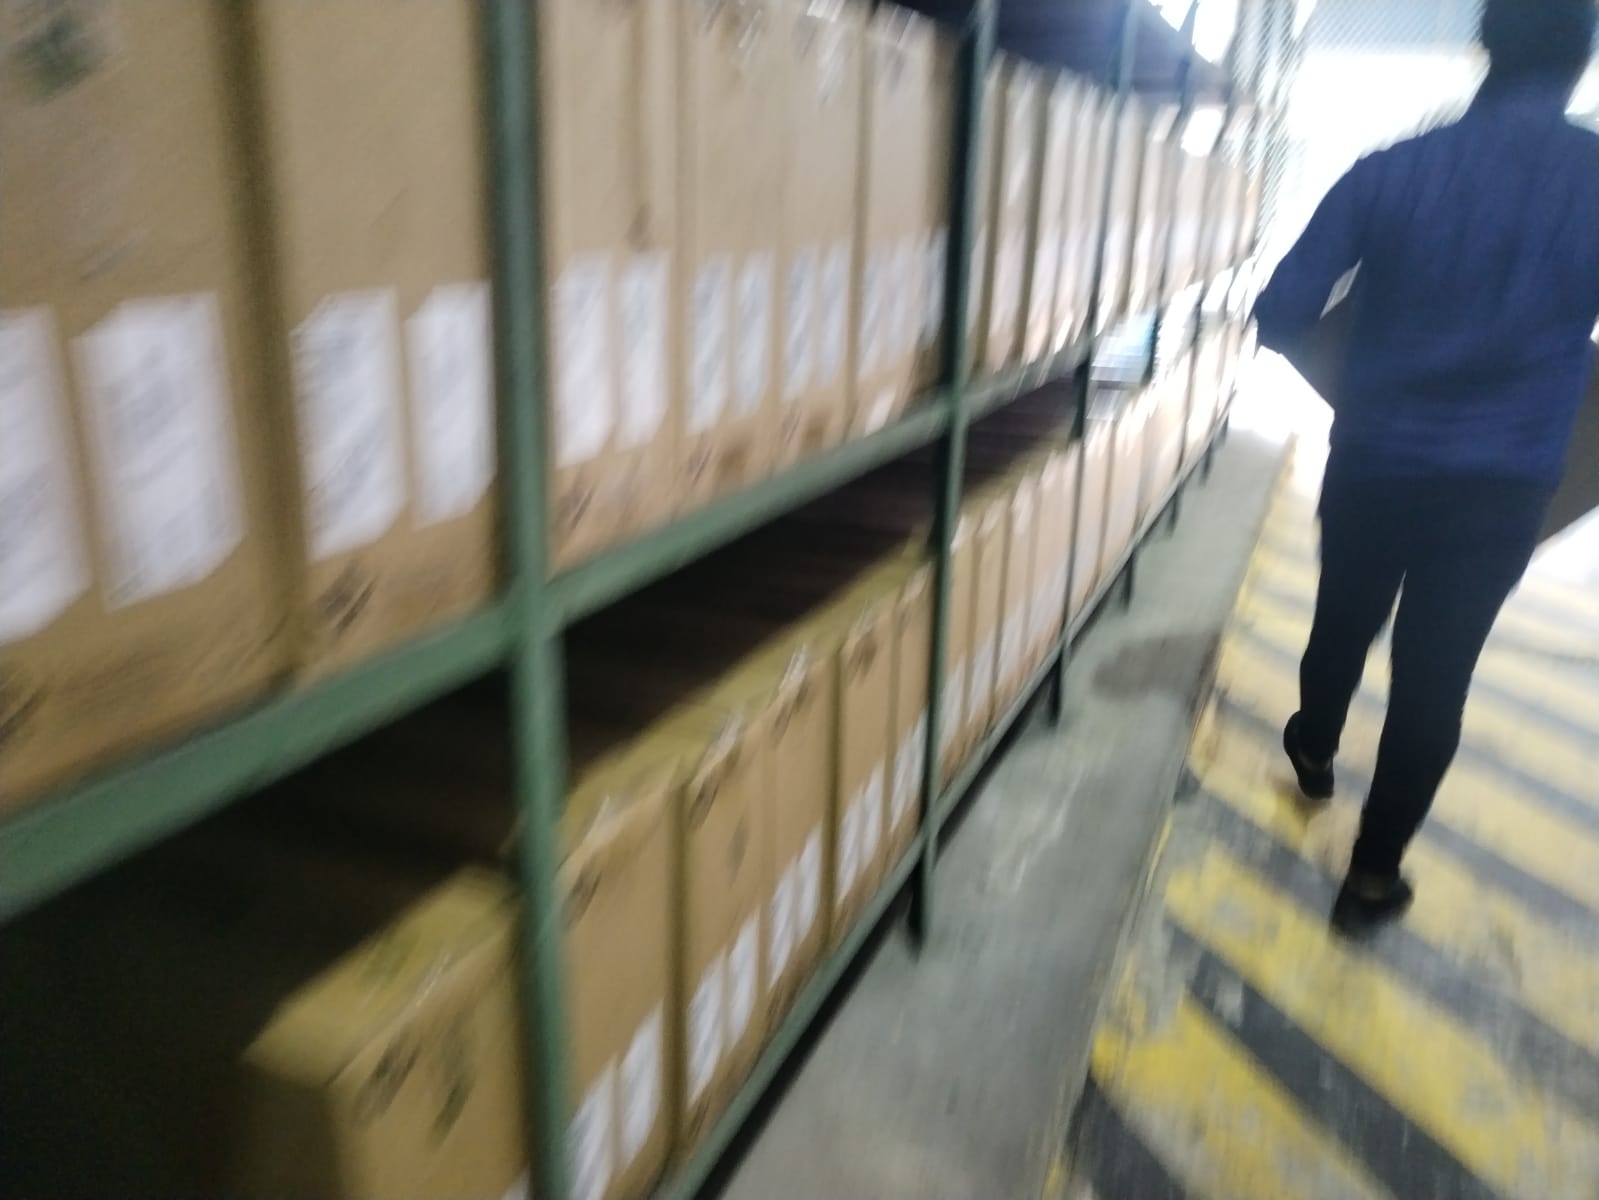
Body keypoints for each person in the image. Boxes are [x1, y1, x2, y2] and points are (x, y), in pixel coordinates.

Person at [1251, 0, 1599, 932]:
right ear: (1583, 57)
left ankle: (1313, 750)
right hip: (1504, 486)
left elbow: (1279, 312)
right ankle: (1371, 876)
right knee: (1436, 676)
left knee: (1341, 624)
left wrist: (1364, 368)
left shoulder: (1392, 170)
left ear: (1481, 45)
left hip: (1375, 461)